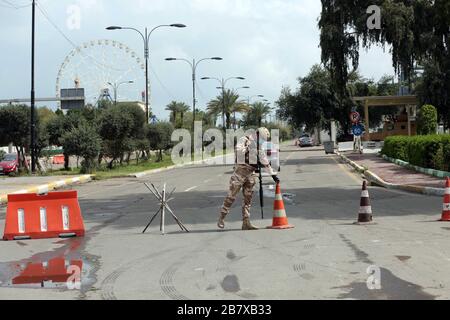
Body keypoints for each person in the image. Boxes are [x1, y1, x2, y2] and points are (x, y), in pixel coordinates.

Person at [218, 127, 280, 230]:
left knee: (248, 199)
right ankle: (222, 218)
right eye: (262, 139)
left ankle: (246, 222)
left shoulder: (259, 146)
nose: (262, 141)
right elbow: (238, 151)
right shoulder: (245, 140)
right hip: (240, 172)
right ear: (257, 134)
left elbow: (264, 160)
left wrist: (273, 175)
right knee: (231, 196)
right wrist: (249, 148)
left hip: (250, 173)